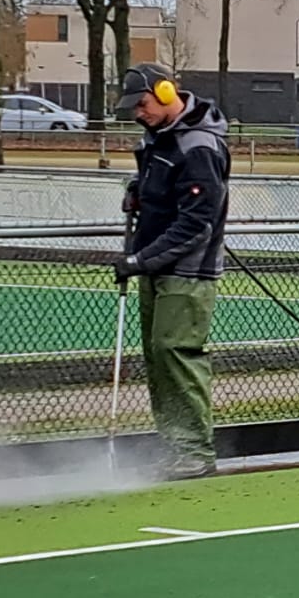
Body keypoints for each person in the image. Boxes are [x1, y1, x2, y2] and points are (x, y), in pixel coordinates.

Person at [112, 62, 232, 479]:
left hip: (187, 272)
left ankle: (194, 451)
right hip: (156, 265)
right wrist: (138, 190)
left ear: (166, 93)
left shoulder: (198, 146)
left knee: (176, 353)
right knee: (159, 356)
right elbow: (164, 193)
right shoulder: (158, 138)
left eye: (142, 104)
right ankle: (175, 446)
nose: (138, 113)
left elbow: (197, 224)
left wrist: (141, 260)